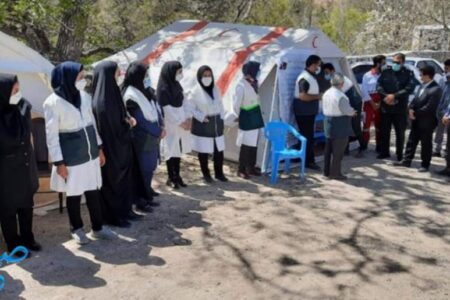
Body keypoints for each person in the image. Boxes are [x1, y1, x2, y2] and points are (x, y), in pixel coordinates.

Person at [43, 61, 117, 245]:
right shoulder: (52, 103)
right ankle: (76, 228)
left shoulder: (84, 96)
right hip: (71, 156)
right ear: (68, 78)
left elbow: (92, 124)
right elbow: (51, 136)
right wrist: (59, 163)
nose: (83, 80)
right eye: (80, 77)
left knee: (93, 190)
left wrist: (99, 148)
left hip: (90, 152)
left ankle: (98, 228)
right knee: (74, 194)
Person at [92, 60, 145, 229]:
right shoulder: (101, 100)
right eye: (116, 72)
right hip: (111, 148)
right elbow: (109, 126)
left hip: (122, 146)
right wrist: (127, 124)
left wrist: (128, 119)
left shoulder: (114, 93)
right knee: (112, 183)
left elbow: (122, 114)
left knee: (125, 182)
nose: (119, 75)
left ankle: (125, 211)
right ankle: (114, 216)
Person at [0, 74, 41, 256]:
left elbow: (26, 134)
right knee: (8, 209)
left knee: (26, 204)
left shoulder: (22, 107)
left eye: (18, 89)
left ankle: (28, 238)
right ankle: (14, 244)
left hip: (25, 164)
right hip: (5, 170)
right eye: (14, 90)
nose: (18, 93)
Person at [122, 62, 165, 204]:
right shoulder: (131, 95)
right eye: (145, 75)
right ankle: (142, 196)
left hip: (152, 135)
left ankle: (147, 189)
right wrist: (158, 131)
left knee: (151, 166)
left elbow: (156, 109)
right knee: (144, 168)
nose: (147, 78)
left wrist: (161, 126)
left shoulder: (146, 90)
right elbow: (140, 120)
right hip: (142, 137)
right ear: (138, 76)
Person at [394, 66, 443, 172]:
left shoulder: (436, 89)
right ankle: (406, 160)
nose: (420, 77)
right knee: (412, 140)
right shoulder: (422, 86)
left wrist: (415, 113)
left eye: (421, 75)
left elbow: (430, 107)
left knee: (426, 143)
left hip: (427, 121)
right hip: (416, 119)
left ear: (427, 75)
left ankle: (425, 164)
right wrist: (411, 108)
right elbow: (415, 100)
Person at [188, 66, 228, 183]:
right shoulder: (195, 91)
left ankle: (219, 173)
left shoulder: (216, 88)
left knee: (219, 149)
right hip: (204, 123)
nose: (207, 78)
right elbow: (190, 108)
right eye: (204, 76)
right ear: (200, 77)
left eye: (209, 75)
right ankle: (206, 174)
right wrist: (201, 116)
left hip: (216, 122)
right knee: (203, 150)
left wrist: (222, 117)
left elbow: (220, 104)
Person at [157, 61, 192, 189]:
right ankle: (171, 177)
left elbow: (186, 103)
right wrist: (180, 122)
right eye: (179, 72)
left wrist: (188, 118)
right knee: (170, 150)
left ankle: (177, 175)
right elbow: (166, 110)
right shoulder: (163, 88)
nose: (180, 74)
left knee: (178, 150)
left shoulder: (177, 86)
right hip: (171, 124)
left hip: (182, 122)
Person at [376, 53, 417, 161]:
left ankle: (399, 154)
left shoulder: (408, 73)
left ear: (403, 62)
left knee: (400, 132)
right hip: (386, 107)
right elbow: (378, 86)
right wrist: (386, 97)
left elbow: (409, 88)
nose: (395, 64)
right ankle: (384, 152)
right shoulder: (386, 72)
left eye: (397, 62)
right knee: (384, 131)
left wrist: (394, 96)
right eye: (393, 62)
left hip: (399, 109)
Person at [322, 63, 365, 157]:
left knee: (355, 126)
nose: (326, 75)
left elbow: (339, 94)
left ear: (332, 70)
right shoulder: (334, 79)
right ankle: (345, 149)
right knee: (346, 126)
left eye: (327, 72)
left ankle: (363, 147)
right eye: (324, 72)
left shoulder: (341, 79)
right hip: (347, 103)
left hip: (355, 103)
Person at [232, 61, 265, 179]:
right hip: (246, 116)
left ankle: (251, 167)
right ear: (251, 71)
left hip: (255, 116)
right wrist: (241, 115)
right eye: (257, 70)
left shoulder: (254, 83)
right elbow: (236, 104)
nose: (259, 72)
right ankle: (241, 169)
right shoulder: (241, 85)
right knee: (245, 144)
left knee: (254, 144)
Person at [322, 73, 355, 180]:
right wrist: (353, 112)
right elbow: (346, 110)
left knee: (328, 150)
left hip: (328, 122)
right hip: (340, 124)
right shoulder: (340, 96)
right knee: (338, 151)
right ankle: (335, 173)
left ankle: (326, 172)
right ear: (341, 83)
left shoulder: (326, 93)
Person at [293, 55, 322, 170]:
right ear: (313, 64)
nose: (318, 68)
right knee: (307, 136)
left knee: (306, 135)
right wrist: (318, 96)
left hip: (309, 112)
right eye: (317, 65)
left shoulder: (311, 77)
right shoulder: (304, 78)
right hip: (304, 112)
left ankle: (299, 156)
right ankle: (309, 161)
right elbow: (303, 96)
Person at [361, 55, 386, 153]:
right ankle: (364, 145)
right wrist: (372, 103)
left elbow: (386, 89)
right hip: (369, 102)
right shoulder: (367, 75)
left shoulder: (384, 75)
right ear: (378, 63)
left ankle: (379, 145)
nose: (385, 65)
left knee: (379, 124)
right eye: (383, 63)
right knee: (366, 124)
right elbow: (364, 90)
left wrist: (379, 103)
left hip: (380, 101)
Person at [433, 59, 450, 157]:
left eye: (447, 68)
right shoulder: (442, 79)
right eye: (445, 68)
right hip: (441, 109)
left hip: (448, 111)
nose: (445, 70)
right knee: (439, 130)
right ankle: (437, 149)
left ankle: (447, 150)